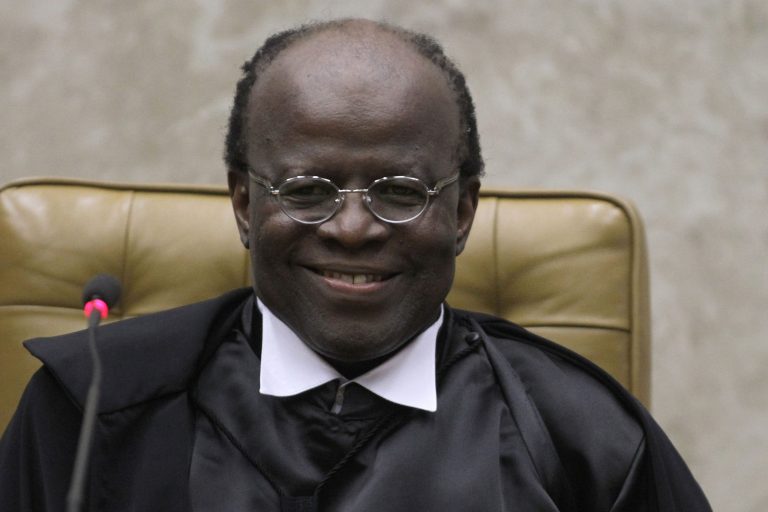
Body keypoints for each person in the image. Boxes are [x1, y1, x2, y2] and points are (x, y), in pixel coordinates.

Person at [0, 18, 710, 512]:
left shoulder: (585, 436)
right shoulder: (92, 409)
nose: (351, 228)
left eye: (400, 192)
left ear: (462, 212)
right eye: (306, 191)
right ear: (245, 204)